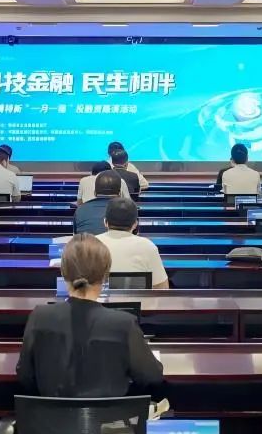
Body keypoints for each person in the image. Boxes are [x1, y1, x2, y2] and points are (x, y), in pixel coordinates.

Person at [17, 233, 165, 399]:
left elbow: (25, 376)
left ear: (63, 272)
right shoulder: (124, 323)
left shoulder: (39, 317)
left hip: (49, 416)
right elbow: (152, 377)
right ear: (105, 275)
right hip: (111, 416)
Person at [96, 198, 168, 289]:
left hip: (96, 298)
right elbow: (162, 287)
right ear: (135, 224)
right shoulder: (147, 246)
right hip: (138, 298)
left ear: (105, 222)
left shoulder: (90, 244)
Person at [73, 170, 123, 235]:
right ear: (120, 194)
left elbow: (76, 236)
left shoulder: (80, 210)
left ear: (94, 192)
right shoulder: (128, 210)